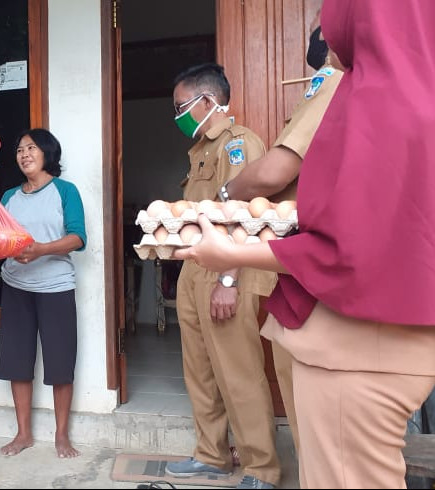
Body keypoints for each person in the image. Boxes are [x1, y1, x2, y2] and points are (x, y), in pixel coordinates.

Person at [173, 1, 435, 487]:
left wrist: (230, 265)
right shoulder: (403, 92)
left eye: (324, 18)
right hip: (367, 309)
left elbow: (338, 235)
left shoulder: (352, 91)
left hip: (349, 325)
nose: (322, 28)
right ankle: (214, 453)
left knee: (330, 456)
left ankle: (260, 466)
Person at [218, 26, 344, 456]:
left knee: (316, 421)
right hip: (318, 267)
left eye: (320, 30)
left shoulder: (333, 78)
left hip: (314, 271)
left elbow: (274, 173)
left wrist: (227, 193)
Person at [163, 63, 281, 489]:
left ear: (208, 101)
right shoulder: (200, 150)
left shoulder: (239, 144)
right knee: (200, 371)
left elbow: (243, 215)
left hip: (230, 270)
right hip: (195, 270)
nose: (178, 116)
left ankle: (261, 468)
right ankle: (211, 455)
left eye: (182, 107)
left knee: (238, 372)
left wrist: (228, 281)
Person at [0, 128, 86, 459]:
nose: (24, 154)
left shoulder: (65, 191)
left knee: (60, 363)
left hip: (56, 287)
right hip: (15, 286)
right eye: (20, 149)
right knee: (17, 362)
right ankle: (23, 434)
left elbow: (78, 237)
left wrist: (42, 249)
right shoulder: (9, 196)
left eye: (31, 148)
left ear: (48, 152)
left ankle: (62, 435)